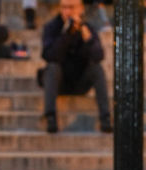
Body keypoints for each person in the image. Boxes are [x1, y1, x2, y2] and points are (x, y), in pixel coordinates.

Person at [40, 0, 111, 134]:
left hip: (80, 81)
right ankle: (50, 117)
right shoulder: (52, 27)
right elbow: (50, 56)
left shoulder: (87, 28)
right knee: (51, 68)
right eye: (64, 7)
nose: (67, 11)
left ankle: (105, 118)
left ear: (81, 9)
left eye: (71, 8)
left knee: (97, 69)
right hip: (59, 81)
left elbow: (98, 56)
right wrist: (67, 34)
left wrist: (87, 38)